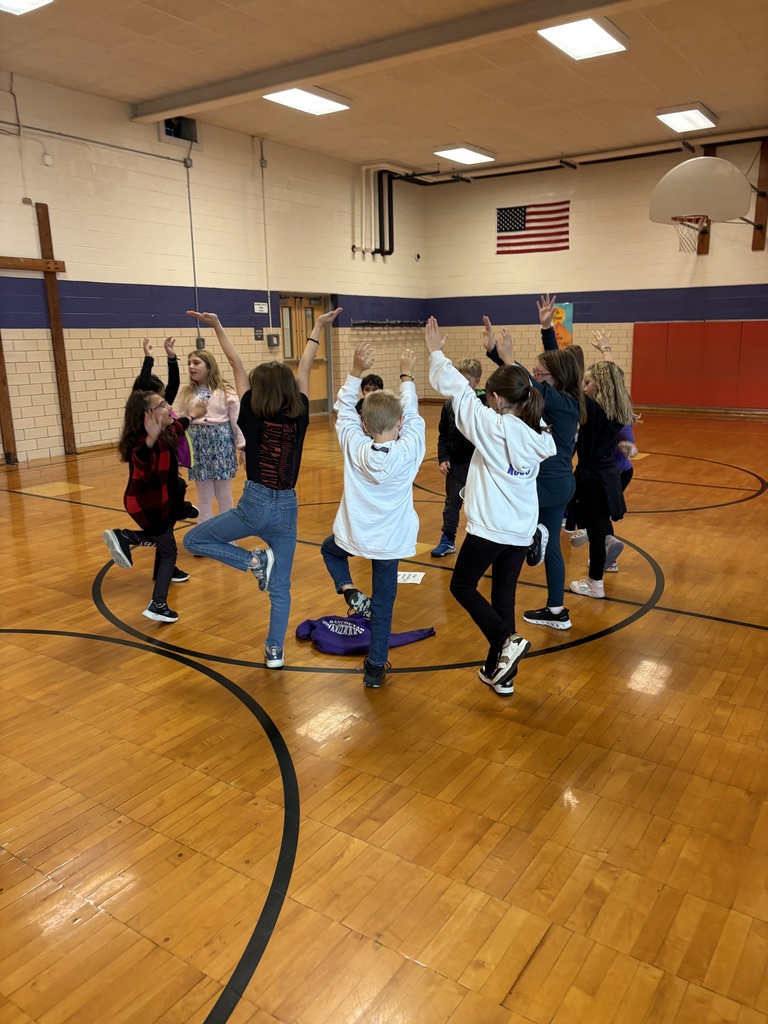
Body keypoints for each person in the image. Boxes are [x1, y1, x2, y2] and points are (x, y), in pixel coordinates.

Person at [182, 308, 339, 668]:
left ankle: (252, 561)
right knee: (280, 587)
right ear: (287, 388)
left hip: (253, 503)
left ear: (257, 386)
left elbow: (234, 361)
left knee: (194, 540)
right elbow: (304, 365)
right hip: (287, 508)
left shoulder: (250, 407)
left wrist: (219, 324)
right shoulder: (300, 410)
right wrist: (316, 326)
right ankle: (274, 651)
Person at [425, 317, 556, 696]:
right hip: (520, 530)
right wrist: (508, 361)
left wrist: (436, 351)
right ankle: (500, 673)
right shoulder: (539, 430)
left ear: (496, 399)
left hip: (490, 529)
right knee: (503, 595)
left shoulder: (492, 426)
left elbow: (459, 392)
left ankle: (505, 638)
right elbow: (520, 394)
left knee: (462, 585)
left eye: (491, 396)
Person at [320, 343, 425, 689]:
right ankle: (375, 668)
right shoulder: (410, 449)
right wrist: (406, 375)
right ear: (398, 423)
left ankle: (348, 588)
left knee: (329, 550)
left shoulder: (354, 442)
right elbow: (413, 416)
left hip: (355, 535)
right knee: (383, 605)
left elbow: (343, 411)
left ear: (364, 424)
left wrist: (354, 370)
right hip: (390, 544)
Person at [484, 302, 584, 631]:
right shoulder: (563, 395)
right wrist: (545, 330)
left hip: (546, 485)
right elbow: (547, 368)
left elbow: (528, 384)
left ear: (554, 378)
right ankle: (556, 610)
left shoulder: (561, 403)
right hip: (560, 485)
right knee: (552, 546)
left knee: (506, 515)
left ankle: (529, 538)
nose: (537, 373)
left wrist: (508, 358)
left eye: (542, 372)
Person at [102, 390, 201, 623]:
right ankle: (158, 604)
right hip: (146, 506)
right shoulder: (143, 444)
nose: (169, 407)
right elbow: (141, 459)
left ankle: (127, 537)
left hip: (161, 503)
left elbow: (180, 425)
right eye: (163, 405)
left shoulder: (167, 432)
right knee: (168, 551)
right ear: (148, 414)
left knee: (164, 541)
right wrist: (149, 440)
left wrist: (193, 415)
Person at [569, 361, 635, 599]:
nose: (584, 388)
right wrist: (606, 352)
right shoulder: (616, 410)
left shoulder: (594, 410)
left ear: (602, 385)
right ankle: (600, 561)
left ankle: (595, 582)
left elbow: (568, 386)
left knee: (596, 531)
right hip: (605, 476)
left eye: (588, 383)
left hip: (595, 478)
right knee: (597, 529)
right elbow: (617, 384)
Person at [134, 336, 193, 584]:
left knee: (172, 509)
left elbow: (175, 383)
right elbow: (143, 383)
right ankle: (129, 538)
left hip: (168, 474)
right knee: (165, 521)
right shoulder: (144, 415)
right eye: (160, 399)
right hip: (154, 482)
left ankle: (165, 569)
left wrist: (171, 357)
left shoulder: (163, 412)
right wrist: (148, 358)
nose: (166, 403)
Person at [177, 347, 245, 523]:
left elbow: (237, 421)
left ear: (209, 366)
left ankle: (226, 535)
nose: (191, 367)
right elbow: (180, 425)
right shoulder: (186, 393)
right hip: (198, 446)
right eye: (189, 363)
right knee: (204, 496)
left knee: (224, 495)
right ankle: (204, 537)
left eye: (196, 363)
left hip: (221, 445)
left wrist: (243, 447)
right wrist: (179, 454)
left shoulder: (226, 391)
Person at [431, 357, 486, 558]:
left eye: (465, 379)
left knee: (481, 503)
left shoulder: (484, 403)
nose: (460, 383)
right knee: (452, 502)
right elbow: (443, 434)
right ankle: (448, 538)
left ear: (476, 382)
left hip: (480, 466)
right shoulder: (448, 405)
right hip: (456, 465)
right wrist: (443, 457)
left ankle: (483, 541)